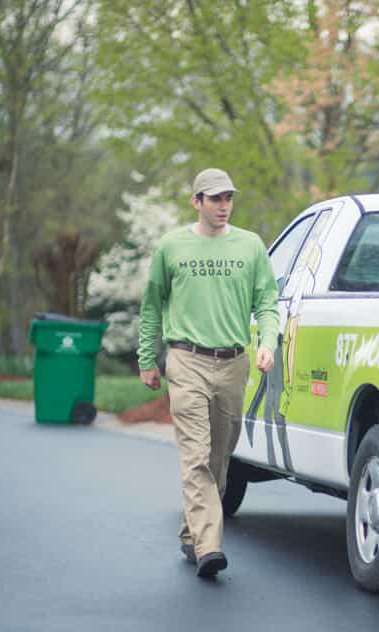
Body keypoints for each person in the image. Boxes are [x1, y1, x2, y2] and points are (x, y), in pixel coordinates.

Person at [137, 168, 280, 579]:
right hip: (186, 360)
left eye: (228, 198)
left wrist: (267, 342)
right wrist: (148, 358)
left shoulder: (250, 246)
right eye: (214, 199)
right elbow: (152, 305)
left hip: (233, 363)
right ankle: (209, 547)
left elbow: (267, 302)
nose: (223, 206)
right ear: (196, 201)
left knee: (220, 460)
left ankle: (191, 532)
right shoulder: (172, 246)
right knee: (196, 455)